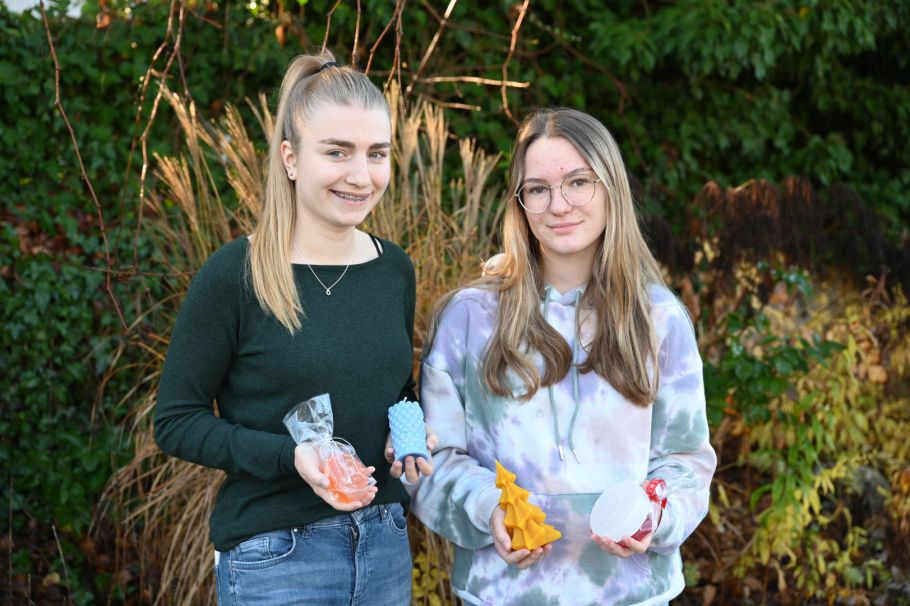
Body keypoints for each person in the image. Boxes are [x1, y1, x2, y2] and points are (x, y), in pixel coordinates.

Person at [154, 52, 433, 606]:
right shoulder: (237, 274)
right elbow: (175, 421)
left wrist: (407, 433)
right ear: (290, 157)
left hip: (384, 545)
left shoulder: (393, 269)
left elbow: (395, 389)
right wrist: (290, 456)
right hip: (275, 558)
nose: (361, 175)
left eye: (376, 153)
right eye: (337, 152)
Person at [408, 107, 717, 606]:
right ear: (520, 203)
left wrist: (655, 515)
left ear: (610, 187)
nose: (559, 205)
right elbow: (432, 459)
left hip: (630, 593)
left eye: (578, 182)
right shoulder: (470, 317)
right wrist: (488, 508)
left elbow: (685, 461)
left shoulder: (659, 318)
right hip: (501, 594)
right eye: (538, 189)